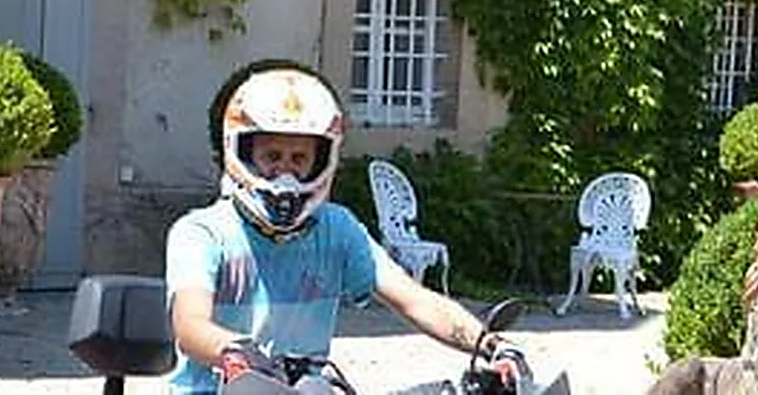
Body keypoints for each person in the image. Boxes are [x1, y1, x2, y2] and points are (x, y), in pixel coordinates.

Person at [164, 63, 525, 393]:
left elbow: (414, 299)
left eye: (299, 159)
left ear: (321, 161)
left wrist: (491, 346)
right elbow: (190, 323)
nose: (285, 172)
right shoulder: (202, 233)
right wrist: (234, 354)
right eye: (272, 157)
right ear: (241, 154)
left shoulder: (337, 229)